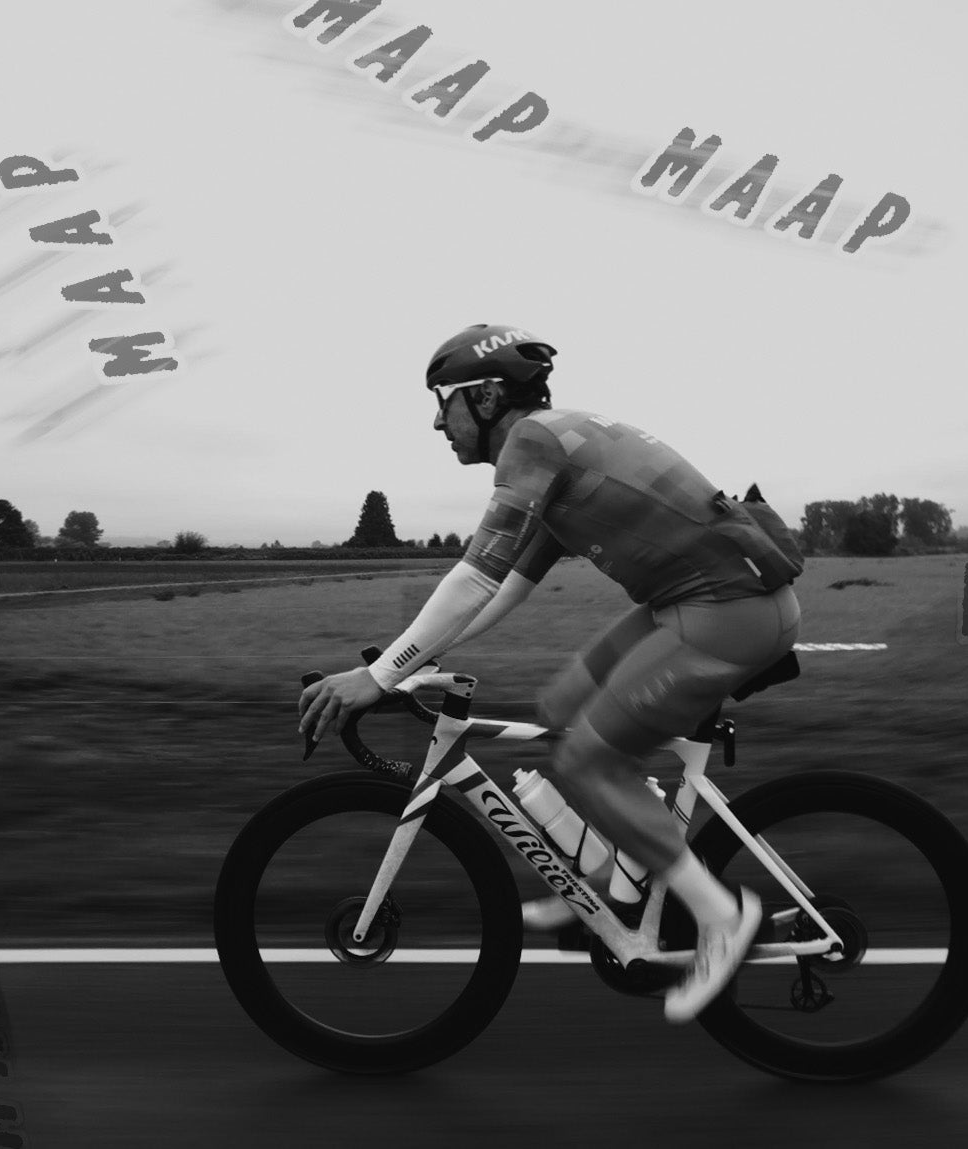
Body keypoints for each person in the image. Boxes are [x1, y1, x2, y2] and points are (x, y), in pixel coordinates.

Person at [298, 324, 805, 1023]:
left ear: (482, 396)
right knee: (562, 704)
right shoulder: (551, 445)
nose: (436, 421)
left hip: (727, 612)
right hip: (695, 603)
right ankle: (623, 883)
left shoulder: (530, 443)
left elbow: (474, 575)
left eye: (441, 402)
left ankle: (720, 915)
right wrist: (413, 661)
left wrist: (380, 676)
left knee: (587, 757)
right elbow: (502, 587)